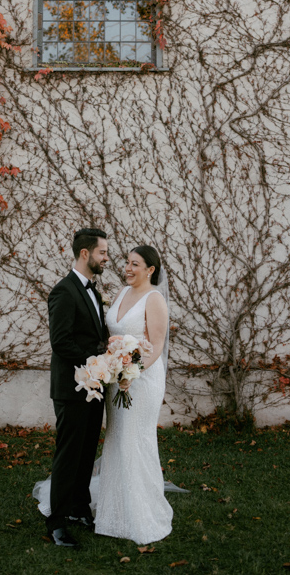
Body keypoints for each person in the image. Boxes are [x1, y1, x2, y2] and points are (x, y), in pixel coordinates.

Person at [94, 245, 173, 544]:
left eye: (135, 264)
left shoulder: (155, 300)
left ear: (150, 270)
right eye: (127, 262)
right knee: (116, 438)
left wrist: (132, 372)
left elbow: (156, 345)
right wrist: (112, 367)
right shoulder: (121, 294)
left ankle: (142, 513)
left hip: (143, 380)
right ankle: (113, 512)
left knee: (135, 439)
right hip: (117, 378)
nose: (127, 268)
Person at [45, 227, 109, 548]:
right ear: (85, 254)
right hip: (72, 390)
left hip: (94, 388)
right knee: (68, 455)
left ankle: (79, 509)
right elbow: (61, 343)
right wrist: (96, 359)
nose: (106, 258)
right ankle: (56, 523)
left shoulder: (92, 290)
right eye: (102, 253)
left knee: (86, 453)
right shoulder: (64, 291)